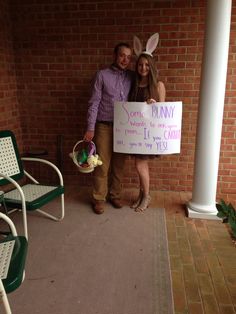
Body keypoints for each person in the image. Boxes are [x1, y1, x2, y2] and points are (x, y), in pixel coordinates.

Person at [84, 42, 133, 214]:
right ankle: (98, 198)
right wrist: (90, 128)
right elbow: (94, 102)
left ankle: (115, 195)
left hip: (123, 128)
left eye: (128, 57)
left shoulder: (131, 77)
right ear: (115, 55)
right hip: (103, 126)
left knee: (119, 164)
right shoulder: (102, 75)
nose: (125, 59)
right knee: (102, 165)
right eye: (122, 55)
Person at [129, 52, 166, 212]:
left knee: (140, 165)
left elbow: (163, 109)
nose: (143, 68)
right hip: (135, 133)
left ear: (151, 66)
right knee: (140, 165)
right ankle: (141, 194)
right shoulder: (134, 84)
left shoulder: (158, 85)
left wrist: (154, 104)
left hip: (148, 133)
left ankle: (147, 196)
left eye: (146, 65)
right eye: (140, 65)